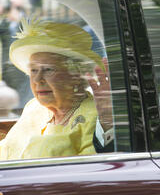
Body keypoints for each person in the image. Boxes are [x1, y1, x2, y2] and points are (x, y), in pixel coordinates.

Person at [0, 17, 113, 160]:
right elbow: (6, 150)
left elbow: (90, 170)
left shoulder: (95, 116)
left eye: (48, 69)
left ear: (75, 75)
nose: (37, 79)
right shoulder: (33, 107)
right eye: (33, 70)